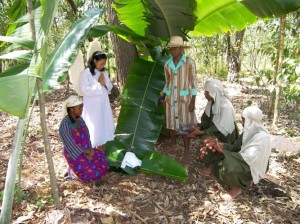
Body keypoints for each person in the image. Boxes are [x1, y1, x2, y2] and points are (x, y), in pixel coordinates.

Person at [198, 106, 271, 200]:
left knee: (228, 166)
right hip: (243, 160)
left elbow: (248, 159)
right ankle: (245, 179)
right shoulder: (248, 132)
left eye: (244, 120)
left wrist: (222, 152)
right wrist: (222, 145)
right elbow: (236, 147)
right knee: (214, 151)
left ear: (250, 121)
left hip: (251, 165)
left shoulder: (262, 137)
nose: (241, 122)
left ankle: (237, 188)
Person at [162, 36, 198, 162]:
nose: (173, 50)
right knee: (171, 123)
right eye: (171, 48)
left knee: (185, 125)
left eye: (176, 48)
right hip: (171, 99)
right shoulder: (167, 64)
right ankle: (173, 144)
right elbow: (168, 83)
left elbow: (194, 82)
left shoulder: (189, 62)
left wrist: (193, 101)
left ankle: (187, 150)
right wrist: (163, 96)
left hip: (185, 99)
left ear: (182, 48)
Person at [59, 95, 109, 182]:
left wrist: (90, 151)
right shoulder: (64, 125)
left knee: (101, 156)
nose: (81, 110)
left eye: (82, 108)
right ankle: (73, 172)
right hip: (74, 154)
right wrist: (87, 152)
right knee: (91, 172)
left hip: (87, 150)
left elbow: (87, 136)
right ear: (71, 109)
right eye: (79, 108)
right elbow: (71, 146)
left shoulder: (80, 120)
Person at [80, 51, 115, 149]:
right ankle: (92, 148)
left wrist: (104, 84)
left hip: (103, 103)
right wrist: (99, 84)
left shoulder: (103, 73)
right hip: (92, 105)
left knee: (104, 123)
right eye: (101, 63)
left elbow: (110, 87)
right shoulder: (86, 73)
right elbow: (85, 90)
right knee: (94, 126)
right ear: (94, 61)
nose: (102, 65)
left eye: (104, 64)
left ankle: (105, 146)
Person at [188, 78, 238, 144]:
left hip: (225, 136)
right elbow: (206, 121)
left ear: (212, 93)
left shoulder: (226, 106)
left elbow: (221, 128)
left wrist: (201, 132)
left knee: (206, 139)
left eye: (206, 92)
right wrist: (198, 127)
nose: (204, 94)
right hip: (214, 131)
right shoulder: (211, 103)